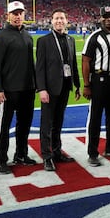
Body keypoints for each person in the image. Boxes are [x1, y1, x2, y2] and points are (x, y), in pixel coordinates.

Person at [0, 0, 37, 174]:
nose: (17, 16)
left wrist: (35, 84)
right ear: (7, 16)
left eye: (20, 13)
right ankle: (1, 159)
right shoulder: (0, 38)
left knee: (24, 124)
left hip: (27, 89)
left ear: (24, 15)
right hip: (8, 90)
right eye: (14, 14)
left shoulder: (27, 36)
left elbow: (31, 63)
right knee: (4, 125)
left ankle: (21, 154)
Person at [36, 9, 81, 172]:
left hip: (65, 86)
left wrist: (77, 85)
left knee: (58, 122)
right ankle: (46, 157)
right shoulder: (44, 41)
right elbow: (39, 68)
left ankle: (56, 152)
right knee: (46, 124)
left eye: (62, 18)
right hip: (50, 88)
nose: (59, 21)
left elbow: (73, 64)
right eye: (56, 18)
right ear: (52, 21)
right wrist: (41, 89)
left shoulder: (70, 39)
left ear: (66, 20)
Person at [82, 6, 110, 167]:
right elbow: (85, 61)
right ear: (100, 18)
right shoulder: (95, 37)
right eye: (105, 16)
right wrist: (86, 84)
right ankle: (92, 152)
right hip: (99, 80)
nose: (108, 19)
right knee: (96, 118)